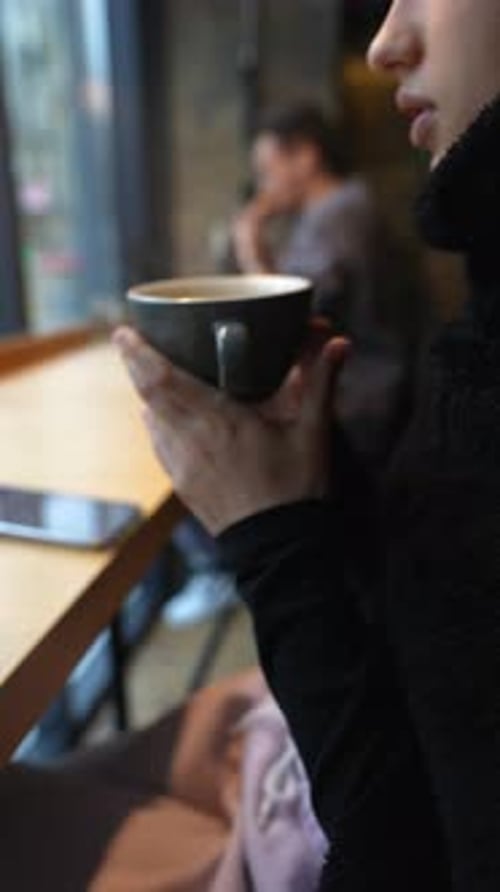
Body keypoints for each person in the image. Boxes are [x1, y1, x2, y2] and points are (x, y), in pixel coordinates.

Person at [115, 0, 500, 889]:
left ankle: (205, 574)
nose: (386, 41)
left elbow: (406, 851)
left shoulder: (347, 214)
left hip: (363, 401)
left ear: (297, 156)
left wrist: (272, 541)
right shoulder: (470, 321)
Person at [232, 104, 427, 465]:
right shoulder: (339, 209)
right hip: (372, 398)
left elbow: (284, 319)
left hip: (363, 406)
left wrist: (248, 242)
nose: (263, 186)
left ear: (306, 157)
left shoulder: (338, 216)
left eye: (267, 170)